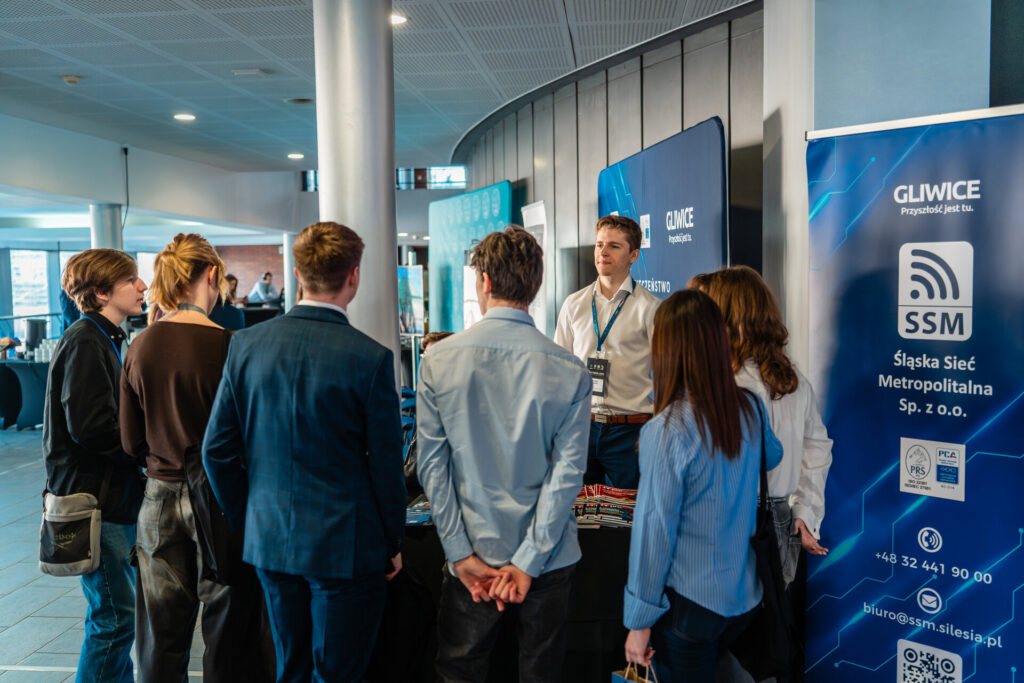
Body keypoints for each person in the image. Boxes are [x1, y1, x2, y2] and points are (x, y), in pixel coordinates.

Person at [202, 221, 405, 682]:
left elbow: (216, 451)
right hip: (345, 548)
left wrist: (250, 517)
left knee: (289, 668)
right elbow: (386, 467)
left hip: (270, 539)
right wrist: (392, 543)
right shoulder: (370, 358)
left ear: (296, 273)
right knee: (337, 673)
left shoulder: (246, 346)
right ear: (354, 275)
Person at [417, 226, 591, 683]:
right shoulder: (570, 370)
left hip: (472, 554)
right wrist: (528, 560)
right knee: (541, 674)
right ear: (535, 285)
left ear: (485, 281)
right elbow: (567, 476)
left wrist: (460, 553)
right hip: (548, 558)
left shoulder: (437, 360)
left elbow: (433, 468)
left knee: (460, 672)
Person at [119, 234, 273, 682]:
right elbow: (251, 434)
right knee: (228, 628)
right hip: (220, 499)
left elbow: (130, 441)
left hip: (158, 497)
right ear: (212, 274)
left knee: (159, 636)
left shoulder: (140, 345)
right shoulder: (233, 346)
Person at [623, 289, 783, 682]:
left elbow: (654, 533)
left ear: (668, 349)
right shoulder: (749, 407)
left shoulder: (668, 429)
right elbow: (773, 456)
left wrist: (639, 620)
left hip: (689, 608)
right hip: (744, 597)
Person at [43, 248, 147, 683]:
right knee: (115, 619)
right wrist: (145, 447)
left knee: (114, 616)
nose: (143, 287)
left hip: (106, 498)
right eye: (131, 281)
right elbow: (92, 427)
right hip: (98, 503)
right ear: (102, 292)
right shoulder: (87, 340)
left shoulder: (102, 337)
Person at [697, 266, 833, 576]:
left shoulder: (718, 382)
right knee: (772, 605)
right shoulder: (794, 381)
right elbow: (816, 451)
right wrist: (805, 512)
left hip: (725, 517)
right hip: (780, 519)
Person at [555, 214, 660, 489]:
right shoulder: (573, 304)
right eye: (599, 244)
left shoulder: (650, 308)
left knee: (629, 513)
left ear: (633, 255)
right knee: (578, 510)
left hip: (631, 430)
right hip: (581, 427)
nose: (603, 252)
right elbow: (560, 371)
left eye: (614, 246)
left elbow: (666, 376)